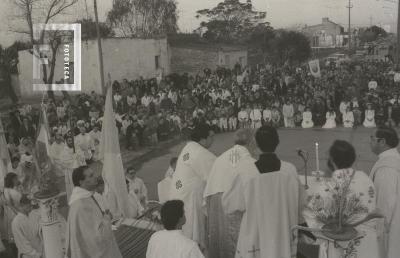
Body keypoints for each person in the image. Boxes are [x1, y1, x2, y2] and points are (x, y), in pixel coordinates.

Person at [222, 125, 300, 258]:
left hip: (255, 236)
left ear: (256, 143)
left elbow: (229, 204)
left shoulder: (246, 172)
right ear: (277, 142)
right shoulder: (290, 170)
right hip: (282, 236)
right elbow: (300, 202)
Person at [304, 140, 380, 258]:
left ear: (332, 161)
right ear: (352, 158)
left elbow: (312, 217)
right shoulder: (365, 178)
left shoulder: (327, 186)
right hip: (366, 241)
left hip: (340, 243)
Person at [203, 128, 254, 258]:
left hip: (214, 201)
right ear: (251, 142)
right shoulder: (248, 159)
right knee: (234, 242)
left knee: (219, 241)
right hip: (232, 202)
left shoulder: (221, 157)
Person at [169, 123, 216, 250]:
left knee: (185, 233)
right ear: (202, 138)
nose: (213, 139)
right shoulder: (199, 152)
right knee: (193, 235)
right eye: (211, 136)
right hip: (190, 198)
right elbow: (217, 173)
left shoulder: (189, 148)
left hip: (179, 195)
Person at [65, 166, 122, 258]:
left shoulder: (84, 198)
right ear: (81, 182)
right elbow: (97, 239)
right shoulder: (82, 204)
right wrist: (107, 217)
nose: (95, 177)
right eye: (91, 176)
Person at [369, 126, 400, 258]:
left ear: (382, 142)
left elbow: (385, 205)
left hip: (389, 229)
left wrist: (378, 234)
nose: (369, 141)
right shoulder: (394, 159)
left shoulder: (386, 168)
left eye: (372, 138)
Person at [2, 173, 22, 256]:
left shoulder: (13, 188)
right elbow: (11, 204)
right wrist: (18, 214)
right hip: (13, 215)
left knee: (18, 237)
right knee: (15, 238)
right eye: (16, 179)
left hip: (15, 213)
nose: (18, 180)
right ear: (13, 180)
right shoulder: (8, 190)